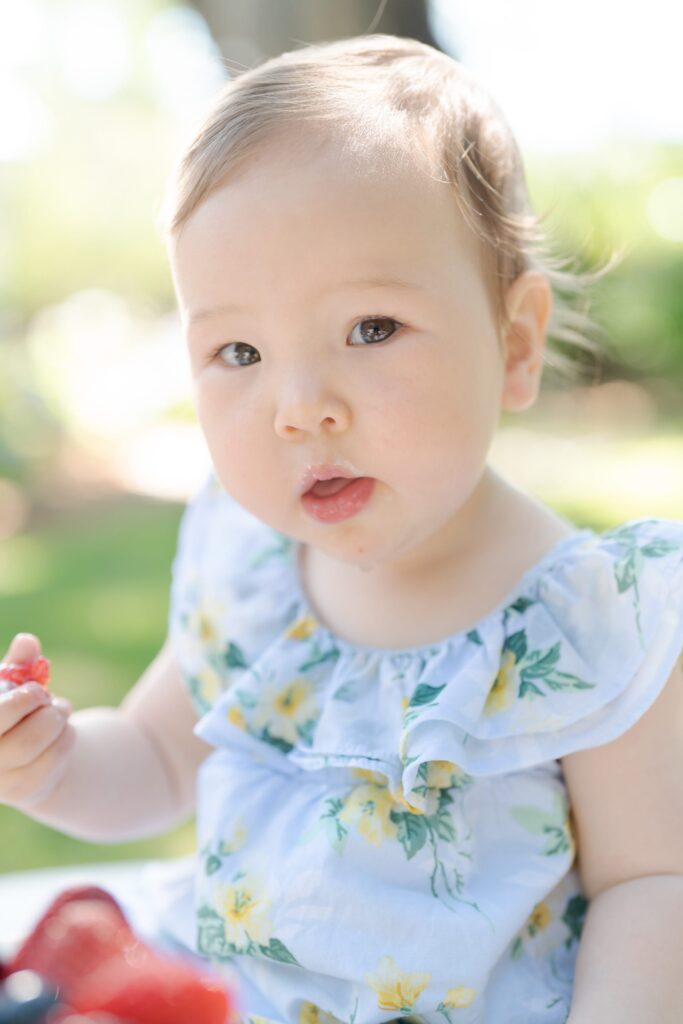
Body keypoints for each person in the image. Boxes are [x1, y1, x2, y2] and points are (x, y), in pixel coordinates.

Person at [1, 33, 682, 1024]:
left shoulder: (588, 624)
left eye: (369, 329)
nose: (298, 406)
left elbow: (649, 884)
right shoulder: (252, 577)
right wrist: (52, 763)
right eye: (238, 349)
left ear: (514, 342)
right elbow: (151, 763)